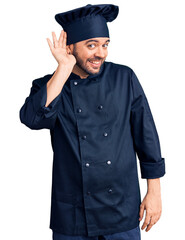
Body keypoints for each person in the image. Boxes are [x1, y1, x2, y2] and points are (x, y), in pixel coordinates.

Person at [19, 4, 166, 240]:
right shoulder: (50, 86)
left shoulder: (123, 78)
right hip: (73, 214)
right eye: (91, 45)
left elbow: (146, 135)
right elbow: (32, 118)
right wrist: (64, 68)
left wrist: (154, 192)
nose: (101, 53)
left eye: (105, 44)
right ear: (69, 47)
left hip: (121, 207)